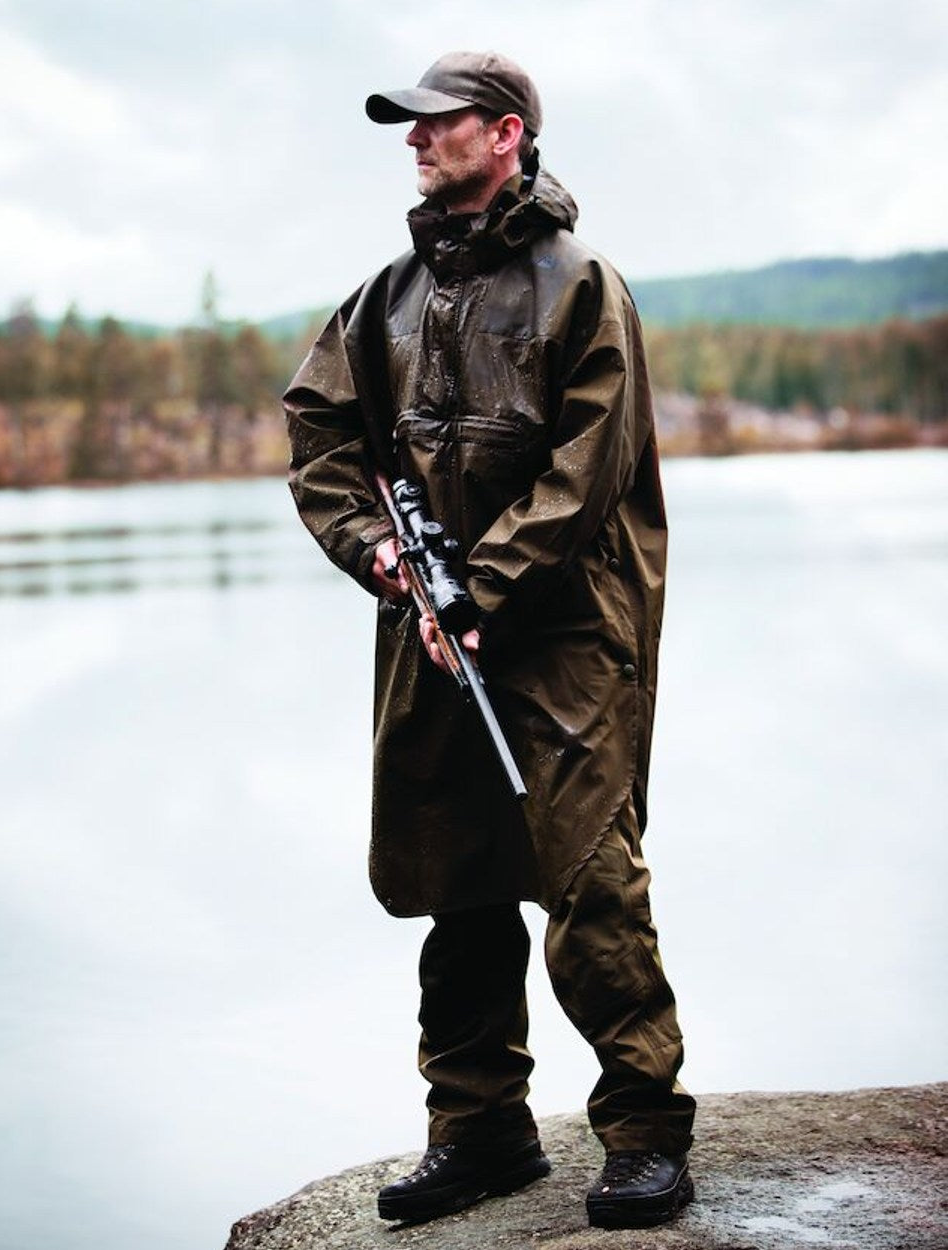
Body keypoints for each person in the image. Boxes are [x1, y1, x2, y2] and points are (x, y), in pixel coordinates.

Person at [283, 50, 696, 1231]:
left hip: (566, 632)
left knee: (587, 874)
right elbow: (318, 436)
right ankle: (480, 1131)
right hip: (428, 625)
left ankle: (646, 1128)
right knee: (454, 875)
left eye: (439, 124)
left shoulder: (583, 286)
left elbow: (588, 466)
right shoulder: (382, 300)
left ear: (506, 134)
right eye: (409, 129)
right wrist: (382, 555)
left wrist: (483, 585)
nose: (415, 142)